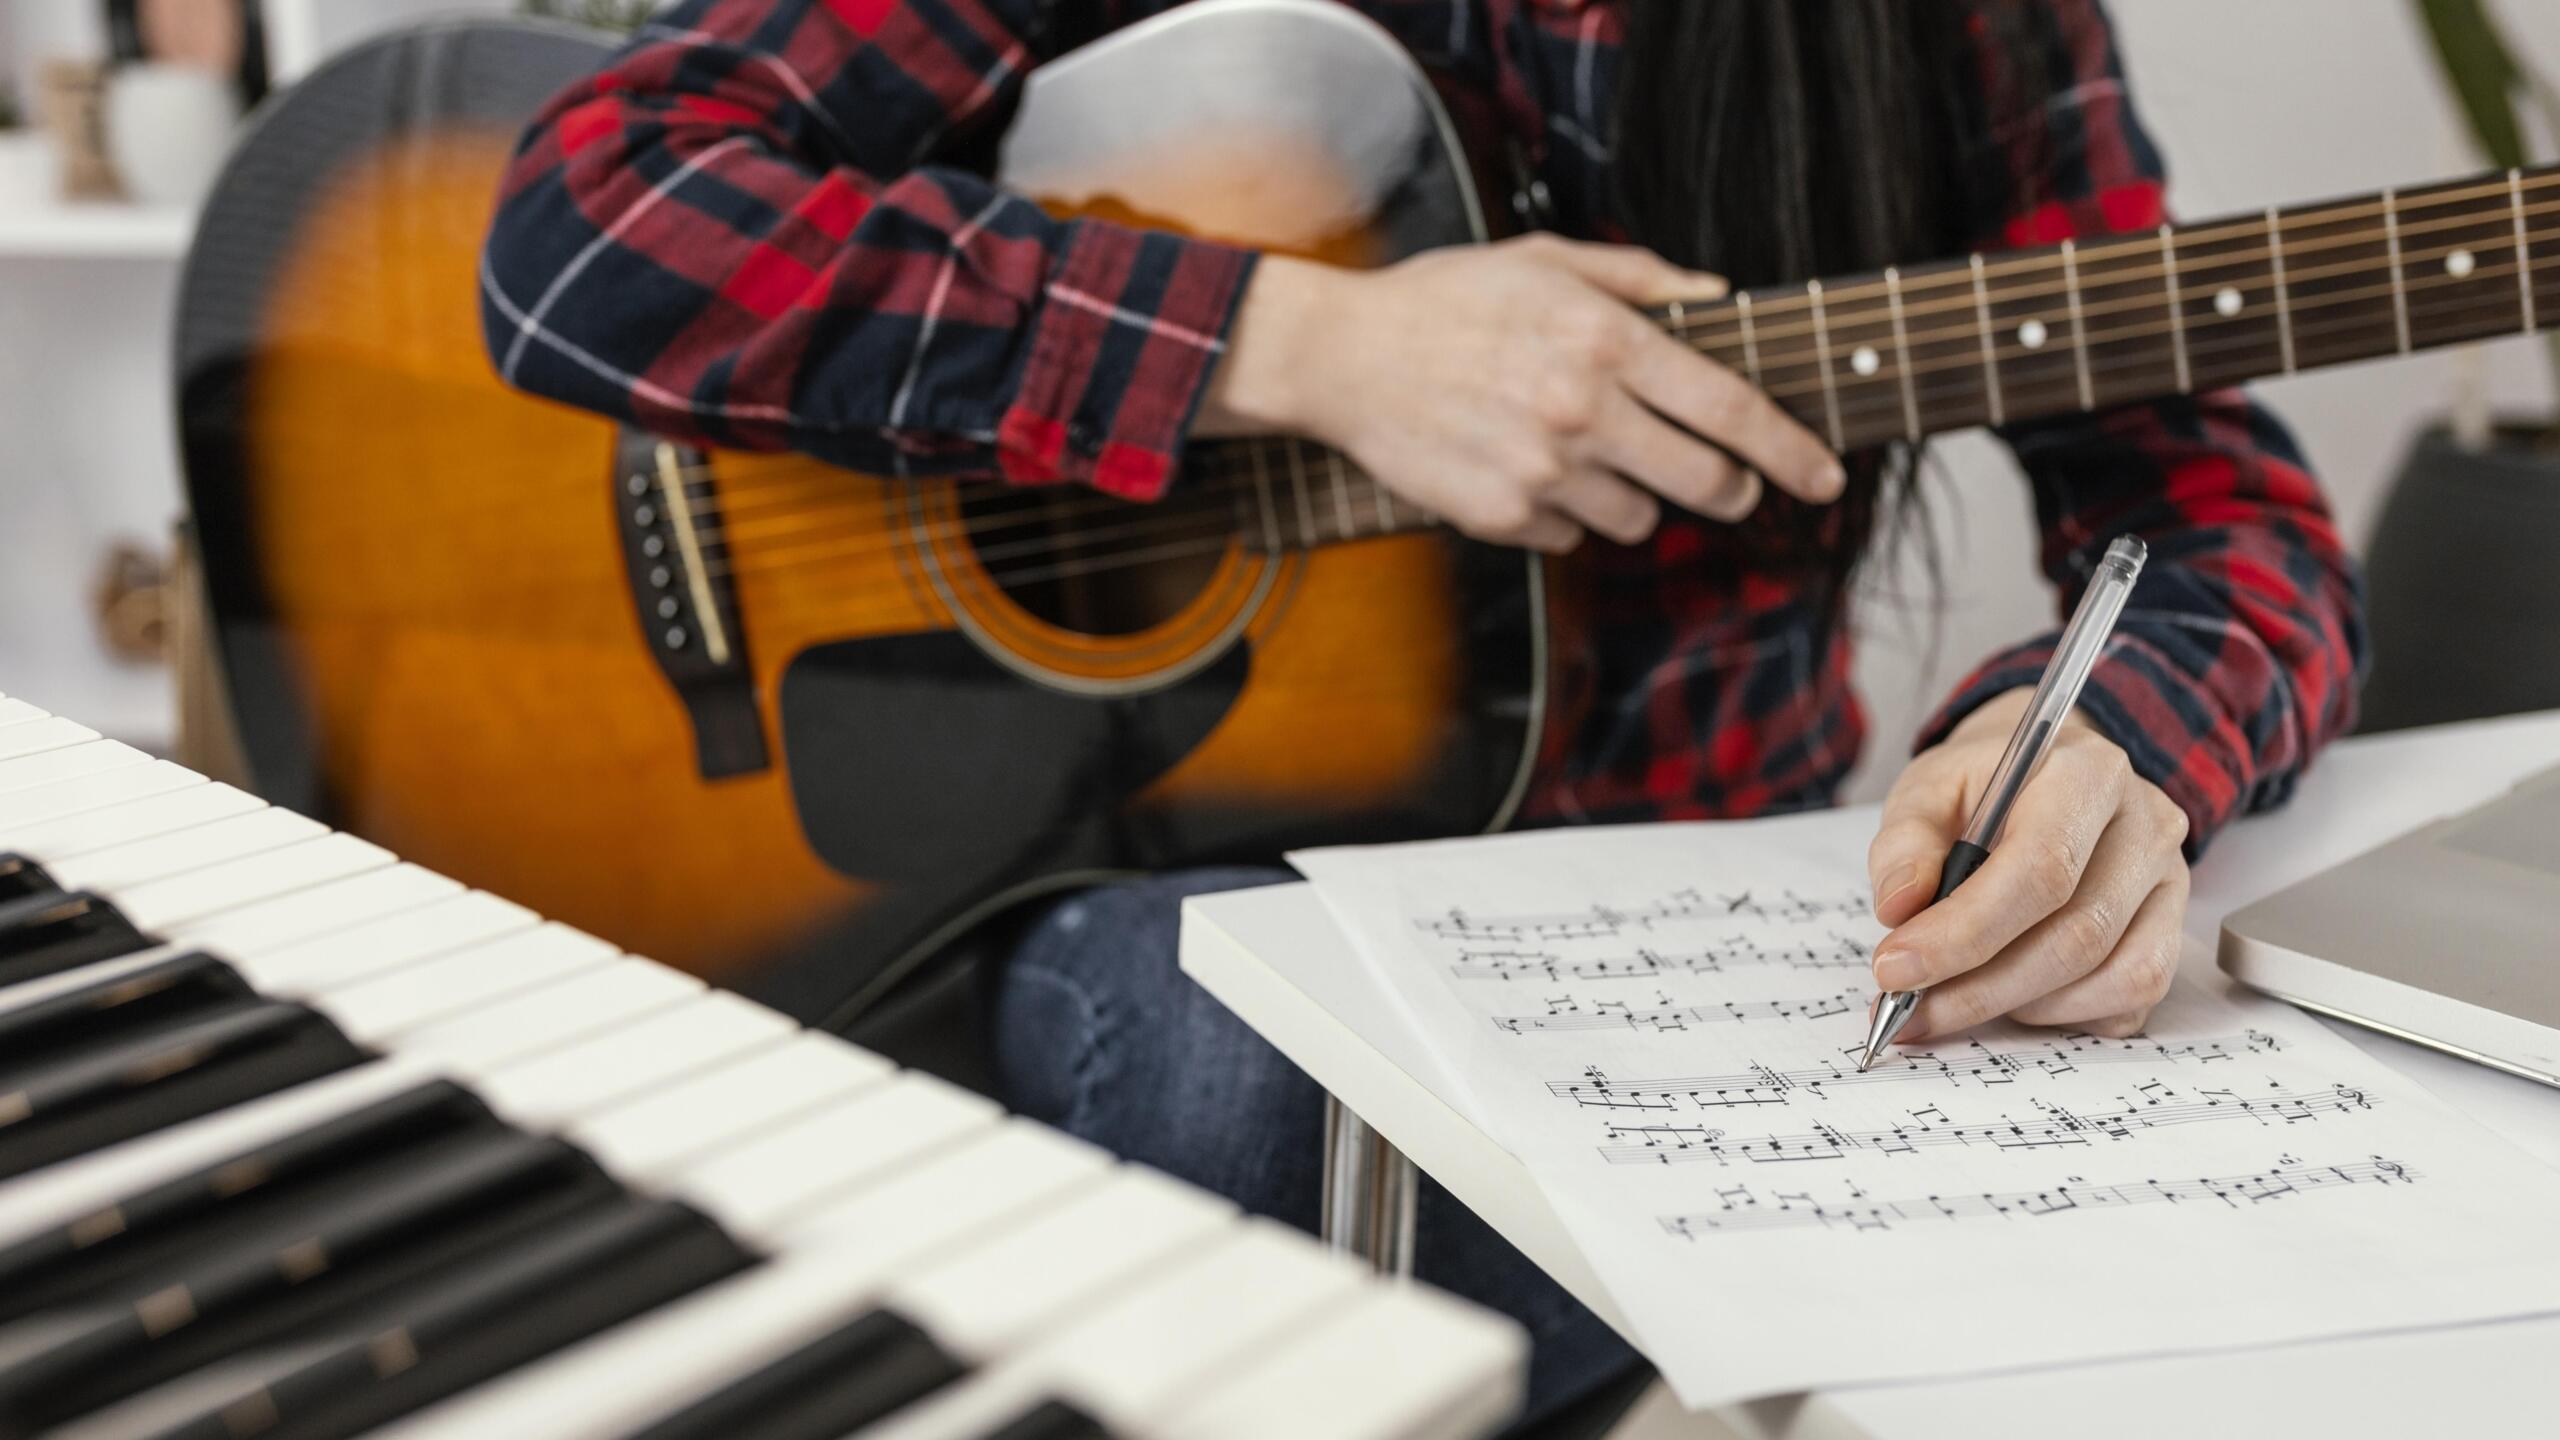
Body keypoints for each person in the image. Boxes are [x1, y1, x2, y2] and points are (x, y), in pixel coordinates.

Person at [480, 0, 2365, 1424]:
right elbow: (591, 226)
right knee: (1250, 1077)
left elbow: (2210, 505)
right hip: (1113, 857)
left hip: (1656, 910)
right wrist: (1297, 346)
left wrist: (2105, 736)